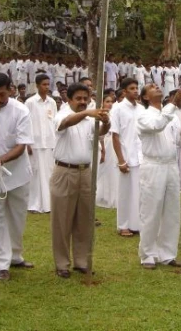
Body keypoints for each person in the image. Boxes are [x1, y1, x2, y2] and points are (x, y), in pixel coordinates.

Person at [51, 83, 110, 278]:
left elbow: (99, 133)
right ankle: (62, 263)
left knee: (84, 218)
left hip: (86, 172)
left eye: (86, 99)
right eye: (79, 99)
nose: (83, 102)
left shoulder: (88, 118)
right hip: (65, 171)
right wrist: (86, 114)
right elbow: (65, 123)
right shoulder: (62, 114)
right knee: (62, 219)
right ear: (69, 100)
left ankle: (82, 260)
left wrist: (106, 122)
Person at [0, 73, 34, 281]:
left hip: (17, 173)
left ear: (10, 90)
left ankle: (15, 255)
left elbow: (21, 146)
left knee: (17, 217)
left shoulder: (21, 111)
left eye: (2, 94)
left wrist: (0, 160)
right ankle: (1, 263)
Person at [136, 85, 181, 269]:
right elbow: (156, 126)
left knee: (172, 211)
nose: (157, 88)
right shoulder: (144, 115)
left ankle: (167, 254)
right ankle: (147, 254)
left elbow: (177, 139)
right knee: (151, 210)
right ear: (146, 97)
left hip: (170, 165)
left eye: (157, 86)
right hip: (153, 165)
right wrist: (173, 104)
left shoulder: (170, 114)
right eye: (152, 87)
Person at [111, 78, 143, 237]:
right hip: (126, 155)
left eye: (137, 88)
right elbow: (115, 136)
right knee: (125, 192)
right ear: (124, 92)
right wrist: (121, 160)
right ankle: (123, 225)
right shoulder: (117, 109)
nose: (136, 91)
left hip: (141, 156)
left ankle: (136, 224)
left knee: (139, 192)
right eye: (132, 88)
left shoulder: (142, 109)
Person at [24, 74, 57, 213]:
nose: (46, 87)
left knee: (49, 173)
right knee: (36, 173)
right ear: (37, 85)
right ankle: (34, 204)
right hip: (35, 143)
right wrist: (27, 143)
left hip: (49, 142)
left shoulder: (52, 102)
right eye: (44, 84)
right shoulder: (30, 102)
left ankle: (49, 204)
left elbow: (54, 121)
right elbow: (25, 123)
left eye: (48, 84)